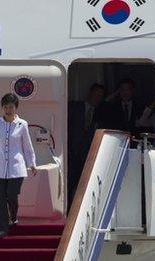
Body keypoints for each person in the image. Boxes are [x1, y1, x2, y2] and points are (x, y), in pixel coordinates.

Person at [0, 93, 37, 238]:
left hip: (16, 168)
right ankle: (2, 229)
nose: (8, 110)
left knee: (12, 195)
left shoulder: (22, 124)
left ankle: (13, 216)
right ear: (2, 108)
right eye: (5, 107)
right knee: (0, 198)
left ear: (16, 108)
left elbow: (27, 146)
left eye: (11, 107)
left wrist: (32, 163)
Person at [67, 83, 106, 213]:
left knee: (82, 187)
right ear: (90, 93)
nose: (98, 98)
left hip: (86, 157)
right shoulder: (74, 107)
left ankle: (77, 213)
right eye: (96, 94)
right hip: (70, 155)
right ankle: (66, 211)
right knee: (68, 185)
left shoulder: (100, 113)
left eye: (101, 96)